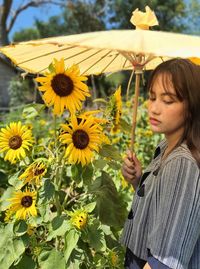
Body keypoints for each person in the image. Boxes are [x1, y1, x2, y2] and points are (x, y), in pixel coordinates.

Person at [121, 58, 200, 269]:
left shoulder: (183, 163)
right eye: (152, 97)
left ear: (191, 106)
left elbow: (166, 260)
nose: (154, 108)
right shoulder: (166, 146)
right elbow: (163, 206)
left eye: (168, 100)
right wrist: (138, 181)